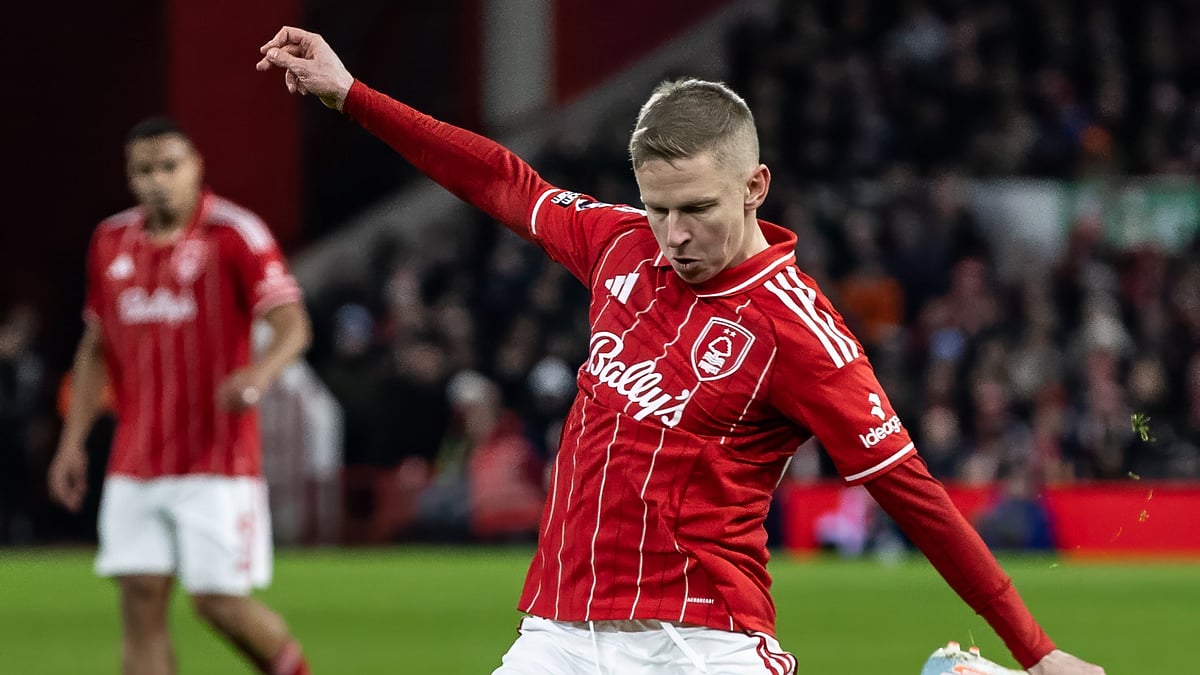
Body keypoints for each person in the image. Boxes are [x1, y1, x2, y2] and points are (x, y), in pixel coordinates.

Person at [257, 27, 1105, 675]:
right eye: (657, 207)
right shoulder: (619, 246)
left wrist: (1037, 651)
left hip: (699, 641)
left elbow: (911, 491)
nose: (673, 235)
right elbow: (502, 180)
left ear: (755, 185)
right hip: (557, 631)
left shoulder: (799, 332)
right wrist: (351, 94)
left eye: (696, 208)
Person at [47, 117, 313, 675]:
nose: (158, 180)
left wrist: (259, 375)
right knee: (139, 600)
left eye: (170, 166)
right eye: (144, 170)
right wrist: (73, 442)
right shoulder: (109, 241)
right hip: (134, 459)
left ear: (196, 167)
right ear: (130, 177)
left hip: (217, 461)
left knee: (218, 605)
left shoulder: (236, 233)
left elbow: (293, 325)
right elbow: (97, 349)